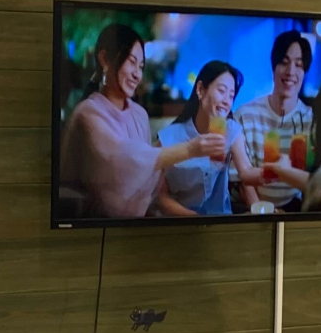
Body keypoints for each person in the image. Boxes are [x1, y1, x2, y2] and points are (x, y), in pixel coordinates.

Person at [58, 23, 223, 219]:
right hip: (90, 229)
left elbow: (146, 182)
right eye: (131, 62)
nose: (137, 74)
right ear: (104, 60)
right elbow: (124, 161)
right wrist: (190, 149)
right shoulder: (87, 113)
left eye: (141, 66)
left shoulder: (139, 114)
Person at [156, 61, 254, 218]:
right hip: (179, 223)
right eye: (221, 91)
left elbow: (247, 172)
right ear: (200, 89)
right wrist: (196, 220)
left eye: (231, 95)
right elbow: (159, 197)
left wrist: (271, 172)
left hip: (221, 223)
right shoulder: (169, 138)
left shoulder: (231, 130)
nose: (227, 101)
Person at [232, 30, 316, 210]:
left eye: (298, 65)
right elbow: (242, 181)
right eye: (284, 63)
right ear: (274, 67)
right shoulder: (245, 115)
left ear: (304, 72)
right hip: (254, 209)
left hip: (296, 209)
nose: (291, 71)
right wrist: (261, 213)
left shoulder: (311, 119)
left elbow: (315, 182)